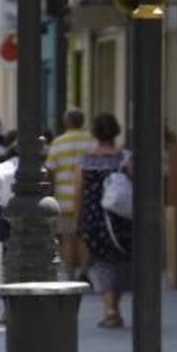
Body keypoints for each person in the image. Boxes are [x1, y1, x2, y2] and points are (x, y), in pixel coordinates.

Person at [75, 113, 132, 329]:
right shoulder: (125, 158)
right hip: (121, 219)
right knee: (120, 260)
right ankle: (114, 308)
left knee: (101, 262)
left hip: (94, 218)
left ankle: (110, 310)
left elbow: (78, 192)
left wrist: (78, 219)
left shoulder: (85, 161)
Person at [46, 108, 97, 280]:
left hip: (64, 197)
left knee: (67, 237)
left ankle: (69, 274)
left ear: (67, 122)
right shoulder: (91, 141)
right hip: (87, 196)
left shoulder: (59, 142)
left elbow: (50, 170)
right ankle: (84, 269)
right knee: (85, 238)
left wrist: (50, 192)